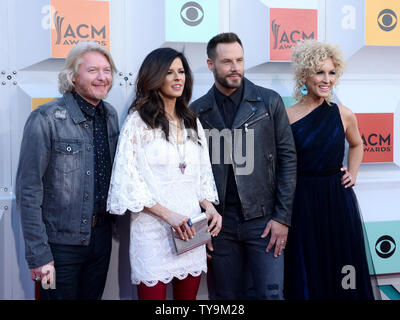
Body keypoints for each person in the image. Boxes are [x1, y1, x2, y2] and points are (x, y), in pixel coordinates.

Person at [106, 47, 222, 300]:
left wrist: (209, 207)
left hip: (190, 229)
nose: (178, 77)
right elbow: (129, 181)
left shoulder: (192, 121)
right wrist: (169, 215)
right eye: (169, 72)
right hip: (152, 233)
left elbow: (201, 173)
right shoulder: (137, 122)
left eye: (181, 71)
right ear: (155, 77)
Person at [190, 33, 297, 300]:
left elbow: (288, 159)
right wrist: (201, 229)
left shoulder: (269, 102)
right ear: (210, 64)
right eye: (227, 61)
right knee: (225, 298)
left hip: (263, 219)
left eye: (239, 60)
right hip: (219, 224)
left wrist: (282, 218)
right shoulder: (197, 111)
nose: (235, 67)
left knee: (271, 295)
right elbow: (189, 173)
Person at [16, 41, 120, 300]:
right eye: (93, 71)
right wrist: (39, 255)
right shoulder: (46, 118)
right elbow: (28, 191)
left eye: (107, 70)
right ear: (73, 77)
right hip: (59, 245)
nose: (102, 77)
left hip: (101, 238)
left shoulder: (110, 116)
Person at [284, 40, 375, 300]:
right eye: (319, 72)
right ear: (304, 75)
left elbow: (357, 145)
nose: (327, 79)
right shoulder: (286, 115)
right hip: (300, 201)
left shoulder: (343, 114)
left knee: (343, 267)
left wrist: (353, 173)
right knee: (306, 265)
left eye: (332, 73)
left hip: (337, 200)